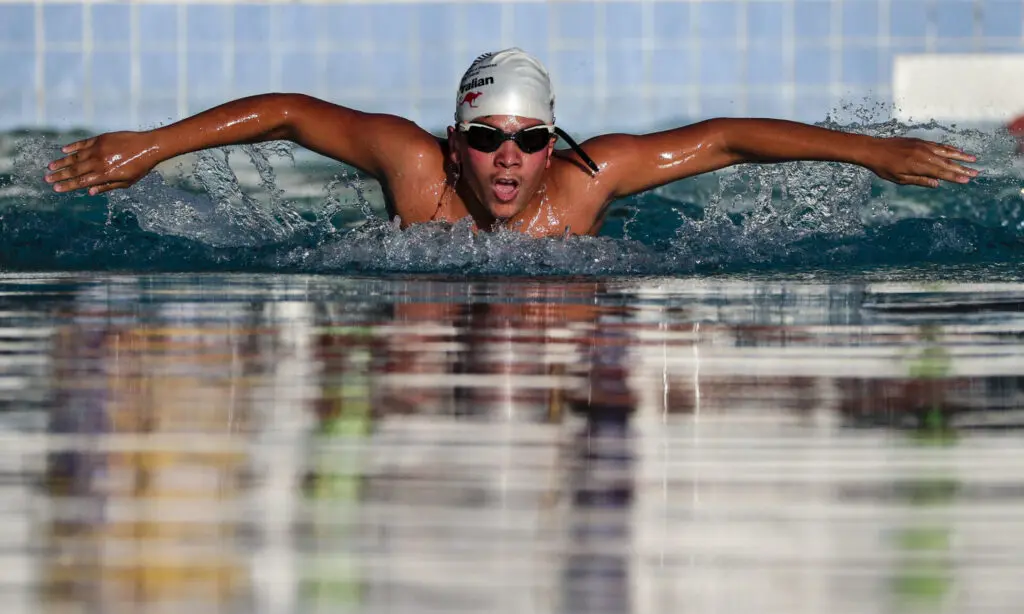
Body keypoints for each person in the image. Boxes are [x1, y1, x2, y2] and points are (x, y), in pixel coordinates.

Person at [45, 48, 979, 237]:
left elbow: (730, 137)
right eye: (486, 139)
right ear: (455, 143)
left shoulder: (585, 183)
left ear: (553, 142)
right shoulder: (418, 174)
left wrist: (873, 154)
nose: (507, 157)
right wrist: (151, 145)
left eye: (530, 138)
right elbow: (290, 109)